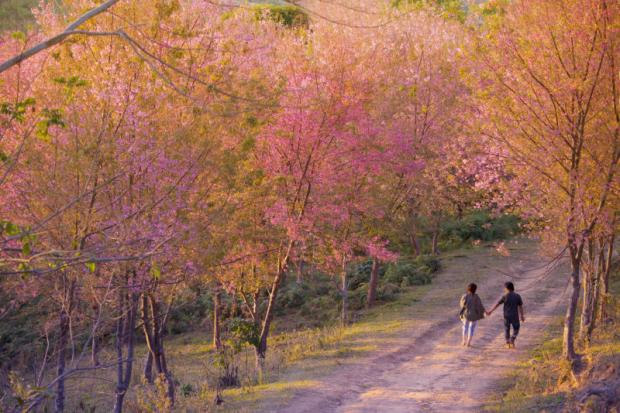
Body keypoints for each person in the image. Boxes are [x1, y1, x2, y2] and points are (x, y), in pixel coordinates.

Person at [487, 281, 525, 348]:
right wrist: (522, 315)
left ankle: (508, 343)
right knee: (516, 328)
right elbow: (520, 306)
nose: (504, 289)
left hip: (506, 316)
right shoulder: (517, 296)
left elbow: (497, 304)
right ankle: (512, 339)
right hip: (515, 316)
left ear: (507, 288)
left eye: (504, 288)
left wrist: (491, 311)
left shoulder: (505, 296)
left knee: (507, 329)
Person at [459, 283, 486, 347]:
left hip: (466, 314)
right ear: (475, 289)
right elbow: (480, 306)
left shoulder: (465, 296)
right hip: (474, 315)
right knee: (471, 328)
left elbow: (462, 305)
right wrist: (486, 312)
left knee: (465, 327)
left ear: (468, 289)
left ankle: (463, 341)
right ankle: (468, 343)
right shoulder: (476, 297)